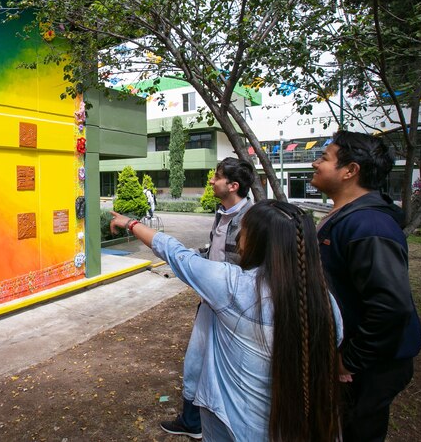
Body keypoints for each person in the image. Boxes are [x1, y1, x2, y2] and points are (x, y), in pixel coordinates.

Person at [110, 200, 342, 441]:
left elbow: (175, 252)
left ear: (257, 241)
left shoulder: (234, 287)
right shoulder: (323, 301)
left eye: (242, 231)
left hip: (236, 429)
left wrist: (131, 223)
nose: (238, 239)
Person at [311, 130, 421, 441]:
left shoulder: (369, 225)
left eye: (324, 157)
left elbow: (391, 307)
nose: (315, 163)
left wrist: (350, 360)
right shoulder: (345, 216)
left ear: (350, 170)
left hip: (370, 364)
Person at [161, 157, 255, 438]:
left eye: (217, 177)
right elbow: (215, 254)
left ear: (233, 185)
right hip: (208, 304)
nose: (211, 181)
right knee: (196, 363)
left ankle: (213, 424)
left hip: (234, 311)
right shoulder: (222, 213)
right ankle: (192, 422)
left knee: (226, 370)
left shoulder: (251, 220)